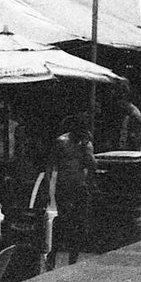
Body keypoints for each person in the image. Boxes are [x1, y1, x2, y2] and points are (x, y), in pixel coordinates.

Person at [46, 113, 97, 268]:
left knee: (80, 223)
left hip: (80, 187)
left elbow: (92, 166)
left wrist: (86, 151)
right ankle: (52, 255)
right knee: (63, 222)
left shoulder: (86, 145)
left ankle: (73, 259)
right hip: (64, 187)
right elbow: (50, 166)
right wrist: (48, 189)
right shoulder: (62, 142)